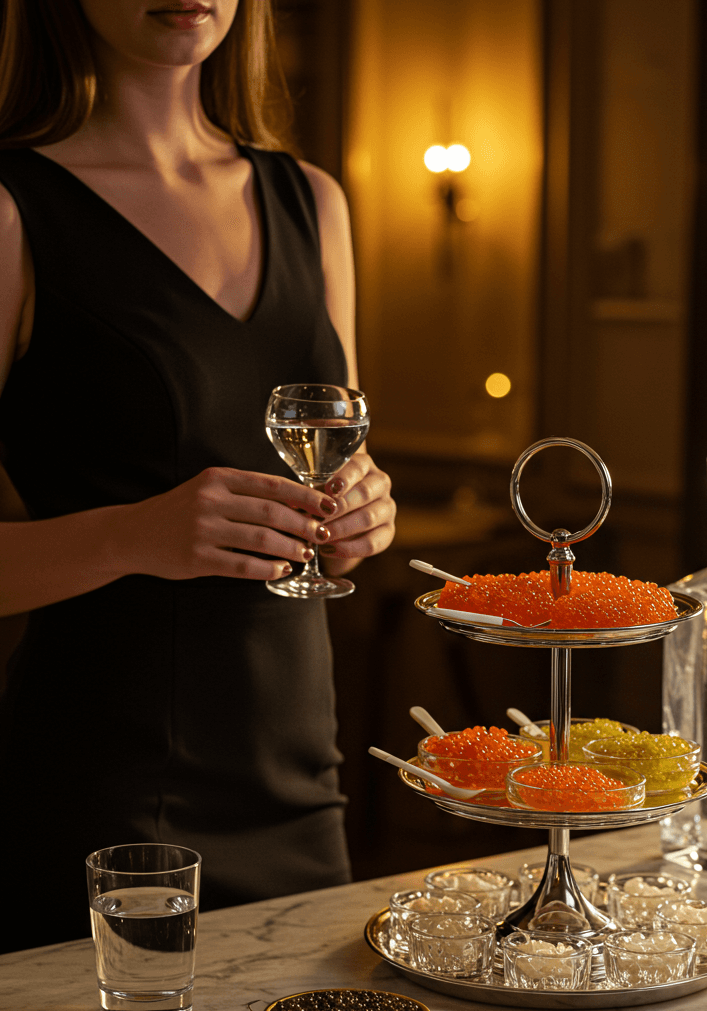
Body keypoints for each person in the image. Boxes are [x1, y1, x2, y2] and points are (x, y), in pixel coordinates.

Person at [0, 0, 396, 952]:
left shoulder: (312, 199)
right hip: (107, 797)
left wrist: (367, 507)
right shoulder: (14, 209)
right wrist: (136, 534)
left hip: (302, 782)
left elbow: (338, 456)